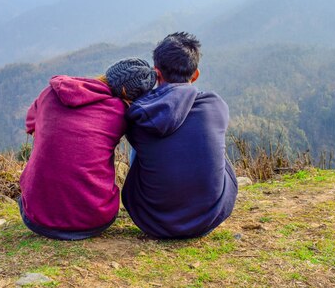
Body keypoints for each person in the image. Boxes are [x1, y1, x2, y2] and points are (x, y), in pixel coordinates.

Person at [19, 58, 156, 240]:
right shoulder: (120, 112)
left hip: (36, 217)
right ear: (127, 94)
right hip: (94, 219)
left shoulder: (51, 92)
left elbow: (30, 126)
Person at [121, 32, 238, 239]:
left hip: (151, 221)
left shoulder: (139, 114)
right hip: (207, 219)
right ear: (195, 75)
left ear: (156, 73)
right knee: (212, 143)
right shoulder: (216, 105)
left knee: (142, 147)